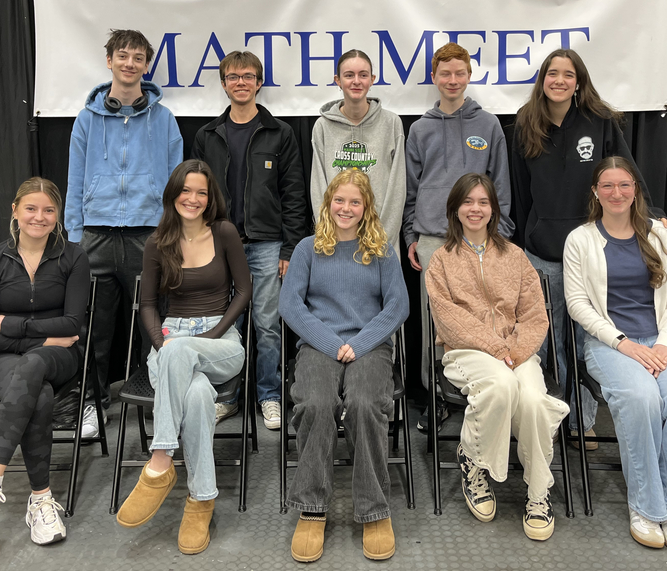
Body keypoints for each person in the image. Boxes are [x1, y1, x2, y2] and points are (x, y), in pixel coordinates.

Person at [511, 47, 667, 448]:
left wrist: (652, 217)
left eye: (568, 74)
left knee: (585, 344)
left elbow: (625, 175)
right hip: (541, 253)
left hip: (590, 253)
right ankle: (546, 416)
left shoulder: (600, 123)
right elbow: (517, 192)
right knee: (545, 343)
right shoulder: (525, 124)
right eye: (552, 74)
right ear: (542, 79)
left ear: (578, 81)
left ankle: (581, 420)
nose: (560, 81)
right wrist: (516, 245)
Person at [563, 156, 667, 553]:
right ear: (595, 192)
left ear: (635, 190)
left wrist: (666, 344)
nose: (617, 193)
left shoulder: (662, 237)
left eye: (624, 185)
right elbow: (578, 304)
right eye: (608, 186)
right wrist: (623, 343)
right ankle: (646, 507)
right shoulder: (580, 240)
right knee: (641, 399)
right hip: (610, 345)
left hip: (663, 341)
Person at [115, 160, 251, 555]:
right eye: (186, 190)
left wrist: (207, 336)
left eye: (201, 192)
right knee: (195, 396)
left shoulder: (224, 232)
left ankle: (160, 460)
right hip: (170, 338)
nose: (193, 199)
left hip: (220, 340)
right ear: (173, 193)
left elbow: (243, 292)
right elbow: (148, 305)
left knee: (182, 353)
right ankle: (201, 499)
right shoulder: (158, 242)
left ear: (211, 199)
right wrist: (162, 343)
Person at [425, 173, 569, 539]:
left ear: (493, 209)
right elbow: (449, 318)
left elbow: (536, 315)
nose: (475, 209)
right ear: (455, 209)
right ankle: (473, 461)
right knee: (502, 386)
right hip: (467, 352)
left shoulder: (515, 256)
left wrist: (517, 351)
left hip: (517, 352)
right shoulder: (440, 261)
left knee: (536, 400)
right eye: (468, 202)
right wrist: (497, 349)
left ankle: (538, 493)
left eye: (483, 202)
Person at [280, 170, 409, 562]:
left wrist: (360, 343)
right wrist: (333, 344)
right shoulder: (307, 249)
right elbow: (290, 306)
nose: (346, 208)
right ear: (328, 203)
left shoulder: (382, 250)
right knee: (315, 404)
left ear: (366, 207)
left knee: (366, 403)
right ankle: (312, 506)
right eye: (340, 200)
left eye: (355, 202)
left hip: (369, 347)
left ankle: (373, 509)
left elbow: (397, 307)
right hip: (320, 346)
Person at [66, 29, 184, 438]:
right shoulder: (86, 118)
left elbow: (175, 182)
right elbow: (75, 179)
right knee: (94, 329)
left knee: (155, 326)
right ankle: (92, 406)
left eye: (137, 57)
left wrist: (171, 233)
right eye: (122, 55)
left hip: (146, 236)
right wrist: (75, 234)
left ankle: (158, 401)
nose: (129, 63)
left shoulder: (164, 119)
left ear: (146, 65)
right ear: (110, 61)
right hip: (95, 237)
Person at [0, 177, 90, 545]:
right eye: (31, 208)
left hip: (60, 356)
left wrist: (15, 326)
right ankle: (41, 500)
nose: (40, 217)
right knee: (41, 394)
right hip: (1, 359)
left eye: (49, 210)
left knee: (35, 367)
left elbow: (72, 324)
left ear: (58, 215)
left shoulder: (74, 257)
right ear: (15, 212)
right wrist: (42, 336)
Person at [192, 50, 306, 431]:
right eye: (233, 76)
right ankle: (227, 397)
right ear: (223, 84)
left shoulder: (280, 133)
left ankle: (270, 396)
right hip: (220, 244)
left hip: (267, 243)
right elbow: (195, 196)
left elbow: (293, 195)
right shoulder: (207, 136)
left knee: (268, 324)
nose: (241, 82)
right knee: (225, 324)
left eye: (248, 76)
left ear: (259, 83)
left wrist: (290, 248)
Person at [403, 41, 512, 430]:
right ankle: (435, 394)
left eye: (459, 73)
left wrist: (501, 233)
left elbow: (501, 181)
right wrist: (410, 235)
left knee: (481, 315)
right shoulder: (419, 129)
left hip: (482, 237)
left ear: (469, 76)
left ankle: (481, 391)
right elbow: (410, 189)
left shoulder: (488, 125)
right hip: (433, 239)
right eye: (445, 73)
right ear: (434, 78)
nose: (452, 80)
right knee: (435, 322)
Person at [310, 48, 406, 250]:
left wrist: (382, 238)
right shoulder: (322, 127)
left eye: (363, 75)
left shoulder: (391, 124)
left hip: (381, 241)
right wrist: (327, 233)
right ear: (337, 80)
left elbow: (398, 187)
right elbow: (318, 187)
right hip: (335, 243)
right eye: (349, 75)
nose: (356, 81)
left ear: (372, 79)